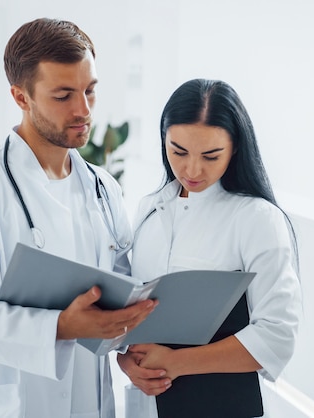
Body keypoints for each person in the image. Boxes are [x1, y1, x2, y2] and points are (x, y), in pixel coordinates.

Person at [0, 18, 157, 418]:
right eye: (63, 95)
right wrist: (61, 327)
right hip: (17, 399)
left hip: (91, 397)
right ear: (21, 97)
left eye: (90, 90)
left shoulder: (104, 188)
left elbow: (125, 289)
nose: (83, 110)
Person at [117, 78, 303, 417]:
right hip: (148, 403)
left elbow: (278, 335)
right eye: (178, 151)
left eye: (210, 155)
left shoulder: (256, 219)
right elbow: (133, 311)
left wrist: (176, 363)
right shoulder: (149, 208)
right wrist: (126, 360)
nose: (192, 169)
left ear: (235, 148)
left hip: (221, 404)